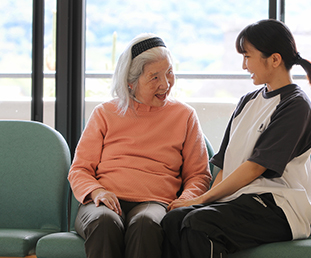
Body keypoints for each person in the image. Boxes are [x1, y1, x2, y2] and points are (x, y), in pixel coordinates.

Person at [161, 19, 311, 258]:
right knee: (174, 220)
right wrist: (200, 201)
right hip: (240, 201)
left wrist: (203, 199)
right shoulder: (248, 101)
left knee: (199, 223)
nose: (243, 66)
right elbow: (225, 167)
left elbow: (254, 168)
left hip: (279, 207)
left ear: (275, 59)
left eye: (248, 57)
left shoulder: (295, 105)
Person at [68, 33, 212, 258]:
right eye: (154, 77)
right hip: (103, 201)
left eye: (169, 73)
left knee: (146, 224)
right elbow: (79, 169)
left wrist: (184, 200)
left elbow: (199, 175)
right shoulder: (105, 113)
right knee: (104, 222)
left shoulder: (185, 116)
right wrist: (97, 191)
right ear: (130, 83)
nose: (165, 84)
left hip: (155, 203)